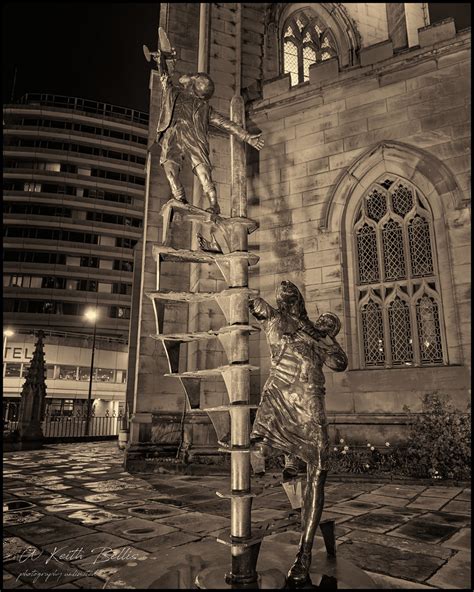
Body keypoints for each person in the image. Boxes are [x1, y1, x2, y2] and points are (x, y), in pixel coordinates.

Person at [249, 281, 348, 585]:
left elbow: (340, 363)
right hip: (283, 400)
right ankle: (272, 456)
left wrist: (324, 337)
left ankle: (304, 553)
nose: (326, 321)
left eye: (332, 323)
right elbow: (268, 298)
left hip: (312, 401)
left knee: (319, 472)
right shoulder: (287, 324)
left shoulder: (322, 345)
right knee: (261, 445)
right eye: (325, 318)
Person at [155, 71, 264, 214]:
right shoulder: (175, 93)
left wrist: (247, 137)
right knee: (170, 172)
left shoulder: (205, 109)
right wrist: (164, 80)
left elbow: (226, 124)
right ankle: (180, 199)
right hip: (173, 137)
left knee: (204, 175)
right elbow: (168, 88)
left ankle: (214, 204)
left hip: (194, 140)